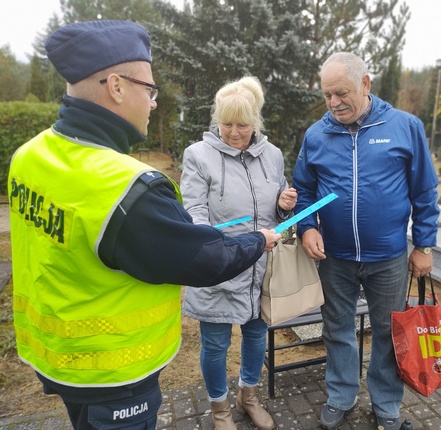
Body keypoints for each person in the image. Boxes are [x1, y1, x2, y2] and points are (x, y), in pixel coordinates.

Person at [8, 20, 281, 430]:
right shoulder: (128, 189)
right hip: (115, 373)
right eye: (149, 90)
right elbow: (203, 260)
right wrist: (259, 241)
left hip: (57, 359)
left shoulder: (28, 156)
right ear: (117, 87)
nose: (154, 103)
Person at [291, 52, 439, 430]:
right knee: (337, 329)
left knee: (389, 333)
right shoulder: (316, 135)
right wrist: (307, 226)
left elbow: (424, 190)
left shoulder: (405, 126)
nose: (334, 102)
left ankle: (386, 405)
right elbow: (304, 190)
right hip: (334, 257)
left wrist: (423, 246)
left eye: (341, 92)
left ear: (366, 84)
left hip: (388, 257)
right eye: (327, 95)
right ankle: (341, 397)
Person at [180, 76, 297, 430]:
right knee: (215, 344)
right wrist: (214, 240)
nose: (234, 132)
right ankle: (219, 410)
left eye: (243, 125)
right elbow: (194, 211)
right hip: (219, 265)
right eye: (226, 124)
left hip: (260, 266)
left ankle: (249, 398)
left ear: (256, 123)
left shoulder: (273, 156)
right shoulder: (198, 156)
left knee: (256, 335)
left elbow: (275, 213)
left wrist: (282, 204)